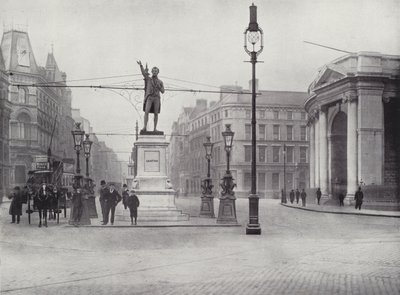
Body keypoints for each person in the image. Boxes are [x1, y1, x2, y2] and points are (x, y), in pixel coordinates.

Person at [137, 60, 165, 132]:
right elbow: (143, 73)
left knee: (156, 113)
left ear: (158, 72)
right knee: (146, 112)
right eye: (153, 71)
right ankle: (144, 127)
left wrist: (159, 86)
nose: (154, 72)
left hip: (156, 98)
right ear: (152, 72)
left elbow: (163, 91)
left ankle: (155, 129)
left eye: (156, 71)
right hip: (149, 97)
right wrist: (141, 65)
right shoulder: (149, 79)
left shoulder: (160, 82)